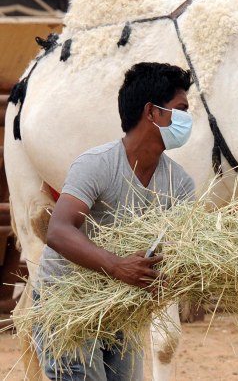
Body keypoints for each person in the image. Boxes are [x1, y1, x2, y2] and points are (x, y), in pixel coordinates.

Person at [33, 62, 196, 381]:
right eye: (181, 109)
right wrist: (118, 266)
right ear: (152, 113)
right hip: (68, 301)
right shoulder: (97, 165)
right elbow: (59, 230)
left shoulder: (180, 184)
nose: (188, 120)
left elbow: (179, 252)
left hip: (123, 305)